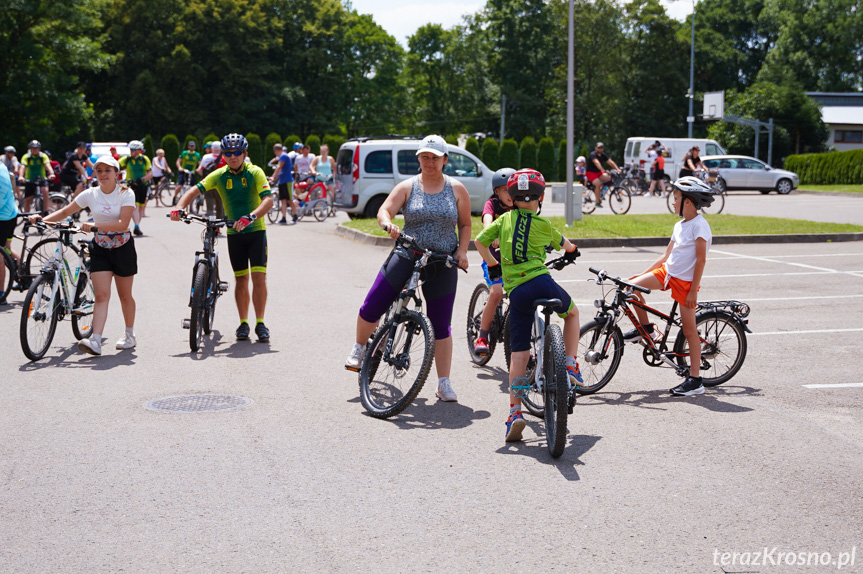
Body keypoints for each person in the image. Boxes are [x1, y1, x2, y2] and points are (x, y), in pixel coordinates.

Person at [345, 134, 471, 402]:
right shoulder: (408, 186)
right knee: (373, 303)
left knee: (441, 324)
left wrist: (461, 252)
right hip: (408, 252)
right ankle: (359, 348)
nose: (429, 162)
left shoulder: (457, 189)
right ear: (418, 159)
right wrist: (387, 224)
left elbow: (465, 225)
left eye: (435, 158)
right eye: (424, 157)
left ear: (445, 160)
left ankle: (443, 383)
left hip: (442, 260)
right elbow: (384, 210)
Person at [475, 169, 582, 442]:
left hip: (518, 291)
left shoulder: (502, 221)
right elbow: (566, 245)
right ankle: (570, 364)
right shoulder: (544, 225)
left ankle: (515, 412)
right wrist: (572, 250)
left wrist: (493, 263)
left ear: (510, 198)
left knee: (519, 355)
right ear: (541, 197)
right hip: (543, 282)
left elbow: (479, 241)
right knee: (572, 313)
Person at [28, 156, 138, 355]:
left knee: (124, 296)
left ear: (116, 174)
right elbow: (65, 211)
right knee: (102, 295)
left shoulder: (126, 193)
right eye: (99, 171)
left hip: (123, 248)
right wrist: (42, 220)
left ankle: (129, 335)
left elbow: (123, 224)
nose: (103, 175)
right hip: (100, 248)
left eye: (108, 171)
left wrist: (95, 225)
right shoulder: (90, 194)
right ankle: (95, 340)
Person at [171, 133, 274, 342]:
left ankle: (260, 323)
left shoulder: (255, 172)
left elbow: (269, 200)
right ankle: (243, 323)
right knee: (241, 279)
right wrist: (180, 207)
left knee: (259, 278)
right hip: (235, 233)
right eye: (229, 153)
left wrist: (251, 216)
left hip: (256, 232)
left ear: (245, 154)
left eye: (237, 153)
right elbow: (194, 189)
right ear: (223, 155)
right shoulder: (219, 174)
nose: (233, 156)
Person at [624, 176, 715, 396]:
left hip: (685, 283)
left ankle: (695, 380)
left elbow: (701, 261)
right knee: (629, 288)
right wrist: (643, 275)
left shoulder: (700, 226)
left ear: (689, 202)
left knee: (689, 330)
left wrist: (693, 290)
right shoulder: (679, 225)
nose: (673, 203)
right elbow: (666, 256)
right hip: (667, 273)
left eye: (676, 198)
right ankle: (645, 330)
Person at [472, 167, 516, 356]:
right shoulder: (492, 205)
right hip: (493, 259)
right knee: (496, 293)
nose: (510, 194)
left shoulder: (520, 207)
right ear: (496, 191)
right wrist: (492, 233)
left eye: (512, 189)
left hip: (514, 261)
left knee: (522, 296)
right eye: (505, 190)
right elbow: (487, 221)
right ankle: (481, 337)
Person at [118, 140, 152, 235]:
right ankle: (137, 226)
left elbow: (150, 173)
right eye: (131, 149)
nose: (131, 151)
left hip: (143, 185)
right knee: (135, 206)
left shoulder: (144, 159)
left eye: (133, 149)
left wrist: (141, 180)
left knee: (141, 207)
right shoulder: (127, 159)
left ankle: (137, 225)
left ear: (139, 150)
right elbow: (116, 166)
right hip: (132, 186)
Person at [18, 140, 54, 213]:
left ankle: (46, 211)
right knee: (28, 199)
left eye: (36, 148)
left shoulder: (43, 156)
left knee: (45, 191)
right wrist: (21, 176)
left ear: (39, 149)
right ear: (30, 149)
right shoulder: (26, 157)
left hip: (41, 178)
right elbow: (22, 167)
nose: (34, 150)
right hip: (30, 179)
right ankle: (26, 216)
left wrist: (51, 174)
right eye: (32, 148)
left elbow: (48, 165)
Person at [0, 161, 18, 305]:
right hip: (10, 213)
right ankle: (24, 273)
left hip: (3, 217)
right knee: (7, 249)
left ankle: (1, 294)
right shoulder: (1, 165)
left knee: (0, 253)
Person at [585, 142, 620, 208]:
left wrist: (617, 169)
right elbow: (596, 163)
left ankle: (600, 193)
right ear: (595, 148)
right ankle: (597, 202)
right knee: (598, 183)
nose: (600, 149)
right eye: (599, 148)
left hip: (598, 173)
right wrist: (603, 170)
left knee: (609, 178)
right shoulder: (593, 155)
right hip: (590, 173)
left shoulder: (603, 155)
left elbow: (610, 162)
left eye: (601, 148)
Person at [270, 143, 297, 225]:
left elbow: (279, 167)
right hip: (282, 180)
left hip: (287, 181)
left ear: (275, 151)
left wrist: (273, 176)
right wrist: (274, 178)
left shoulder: (284, 156)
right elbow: (281, 171)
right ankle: (283, 218)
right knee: (283, 200)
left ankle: (295, 215)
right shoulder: (282, 156)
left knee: (289, 199)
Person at [196, 141, 224, 220]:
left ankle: (211, 224)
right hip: (220, 185)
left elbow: (200, 170)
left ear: (211, 148)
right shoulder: (224, 158)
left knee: (209, 204)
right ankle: (218, 225)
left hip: (208, 184)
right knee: (219, 205)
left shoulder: (206, 157)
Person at [172, 140, 201, 205]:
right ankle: (175, 197)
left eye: (193, 146)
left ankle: (192, 201)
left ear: (195, 147)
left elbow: (200, 164)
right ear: (188, 146)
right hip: (183, 171)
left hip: (192, 172)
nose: (192, 147)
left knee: (194, 187)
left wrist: (198, 169)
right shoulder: (184, 153)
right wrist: (179, 167)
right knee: (179, 186)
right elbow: (178, 161)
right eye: (190, 146)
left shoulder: (197, 155)